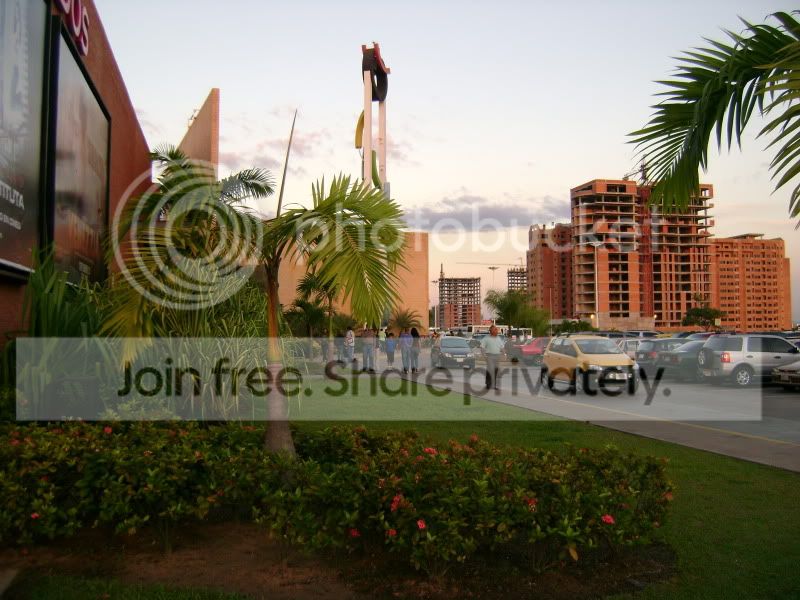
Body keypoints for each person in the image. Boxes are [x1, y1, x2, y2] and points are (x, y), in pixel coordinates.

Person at [480, 325, 505, 390]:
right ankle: (488, 384)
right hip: (489, 356)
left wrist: (504, 354)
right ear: (491, 331)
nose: (497, 331)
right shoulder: (486, 338)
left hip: (497, 356)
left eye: (496, 329)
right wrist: (484, 355)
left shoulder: (499, 338)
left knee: (495, 370)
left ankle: (493, 385)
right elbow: (482, 347)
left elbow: (502, 347)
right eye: (495, 329)